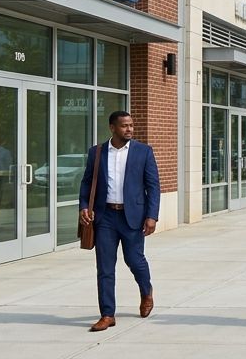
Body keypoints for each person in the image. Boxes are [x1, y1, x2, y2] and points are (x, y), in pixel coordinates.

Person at [79, 111, 160, 332]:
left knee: (135, 260)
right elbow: (87, 183)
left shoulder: (143, 151)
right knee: (105, 267)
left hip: (132, 216)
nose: (129, 129)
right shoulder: (97, 152)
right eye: (124, 126)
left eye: (131, 125)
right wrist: (84, 206)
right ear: (112, 128)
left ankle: (146, 291)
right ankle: (107, 314)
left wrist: (152, 216)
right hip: (105, 217)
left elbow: (153, 186)